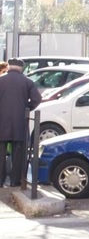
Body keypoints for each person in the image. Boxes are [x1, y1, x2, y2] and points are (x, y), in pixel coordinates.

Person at [0, 58, 42, 187]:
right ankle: (15, 180)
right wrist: (26, 107)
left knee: (0, 152)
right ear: (21, 68)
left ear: (8, 66)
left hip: (1, 122)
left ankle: (0, 181)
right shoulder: (27, 81)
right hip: (19, 121)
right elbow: (37, 99)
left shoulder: (1, 80)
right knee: (18, 153)